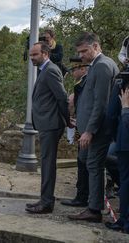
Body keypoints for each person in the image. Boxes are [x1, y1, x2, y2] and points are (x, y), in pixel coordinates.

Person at [68, 32, 119, 223]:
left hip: (97, 130)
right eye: (79, 52)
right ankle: (93, 205)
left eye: (84, 51)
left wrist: (89, 130)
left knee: (95, 165)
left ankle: (93, 209)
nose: (81, 56)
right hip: (93, 128)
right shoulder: (97, 65)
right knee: (90, 162)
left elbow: (101, 103)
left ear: (96, 46)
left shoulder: (103, 66)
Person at [25, 42, 70, 214]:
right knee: (46, 163)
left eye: (34, 55)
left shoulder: (50, 70)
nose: (31, 58)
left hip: (51, 124)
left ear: (45, 54)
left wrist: (66, 120)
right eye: (31, 55)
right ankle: (44, 200)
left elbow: (62, 97)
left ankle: (47, 203)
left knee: (47, 164)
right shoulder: (44, 70)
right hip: (47, 123)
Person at [61, 57, 90, 207]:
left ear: (83, 69)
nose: (72, 72)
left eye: (74, 69)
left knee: (82, 161)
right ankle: (83, 193)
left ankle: (82, 195)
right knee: (82, 160)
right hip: (82, 123)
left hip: (83, 125)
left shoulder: (84, 82)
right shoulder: (82, 82)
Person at [105, 76, 129, 234]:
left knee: (126, 181)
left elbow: (111, 115)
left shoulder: (123, 82)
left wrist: (125, 109)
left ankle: (125, 222)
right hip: (122, 140)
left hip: (124, 139)